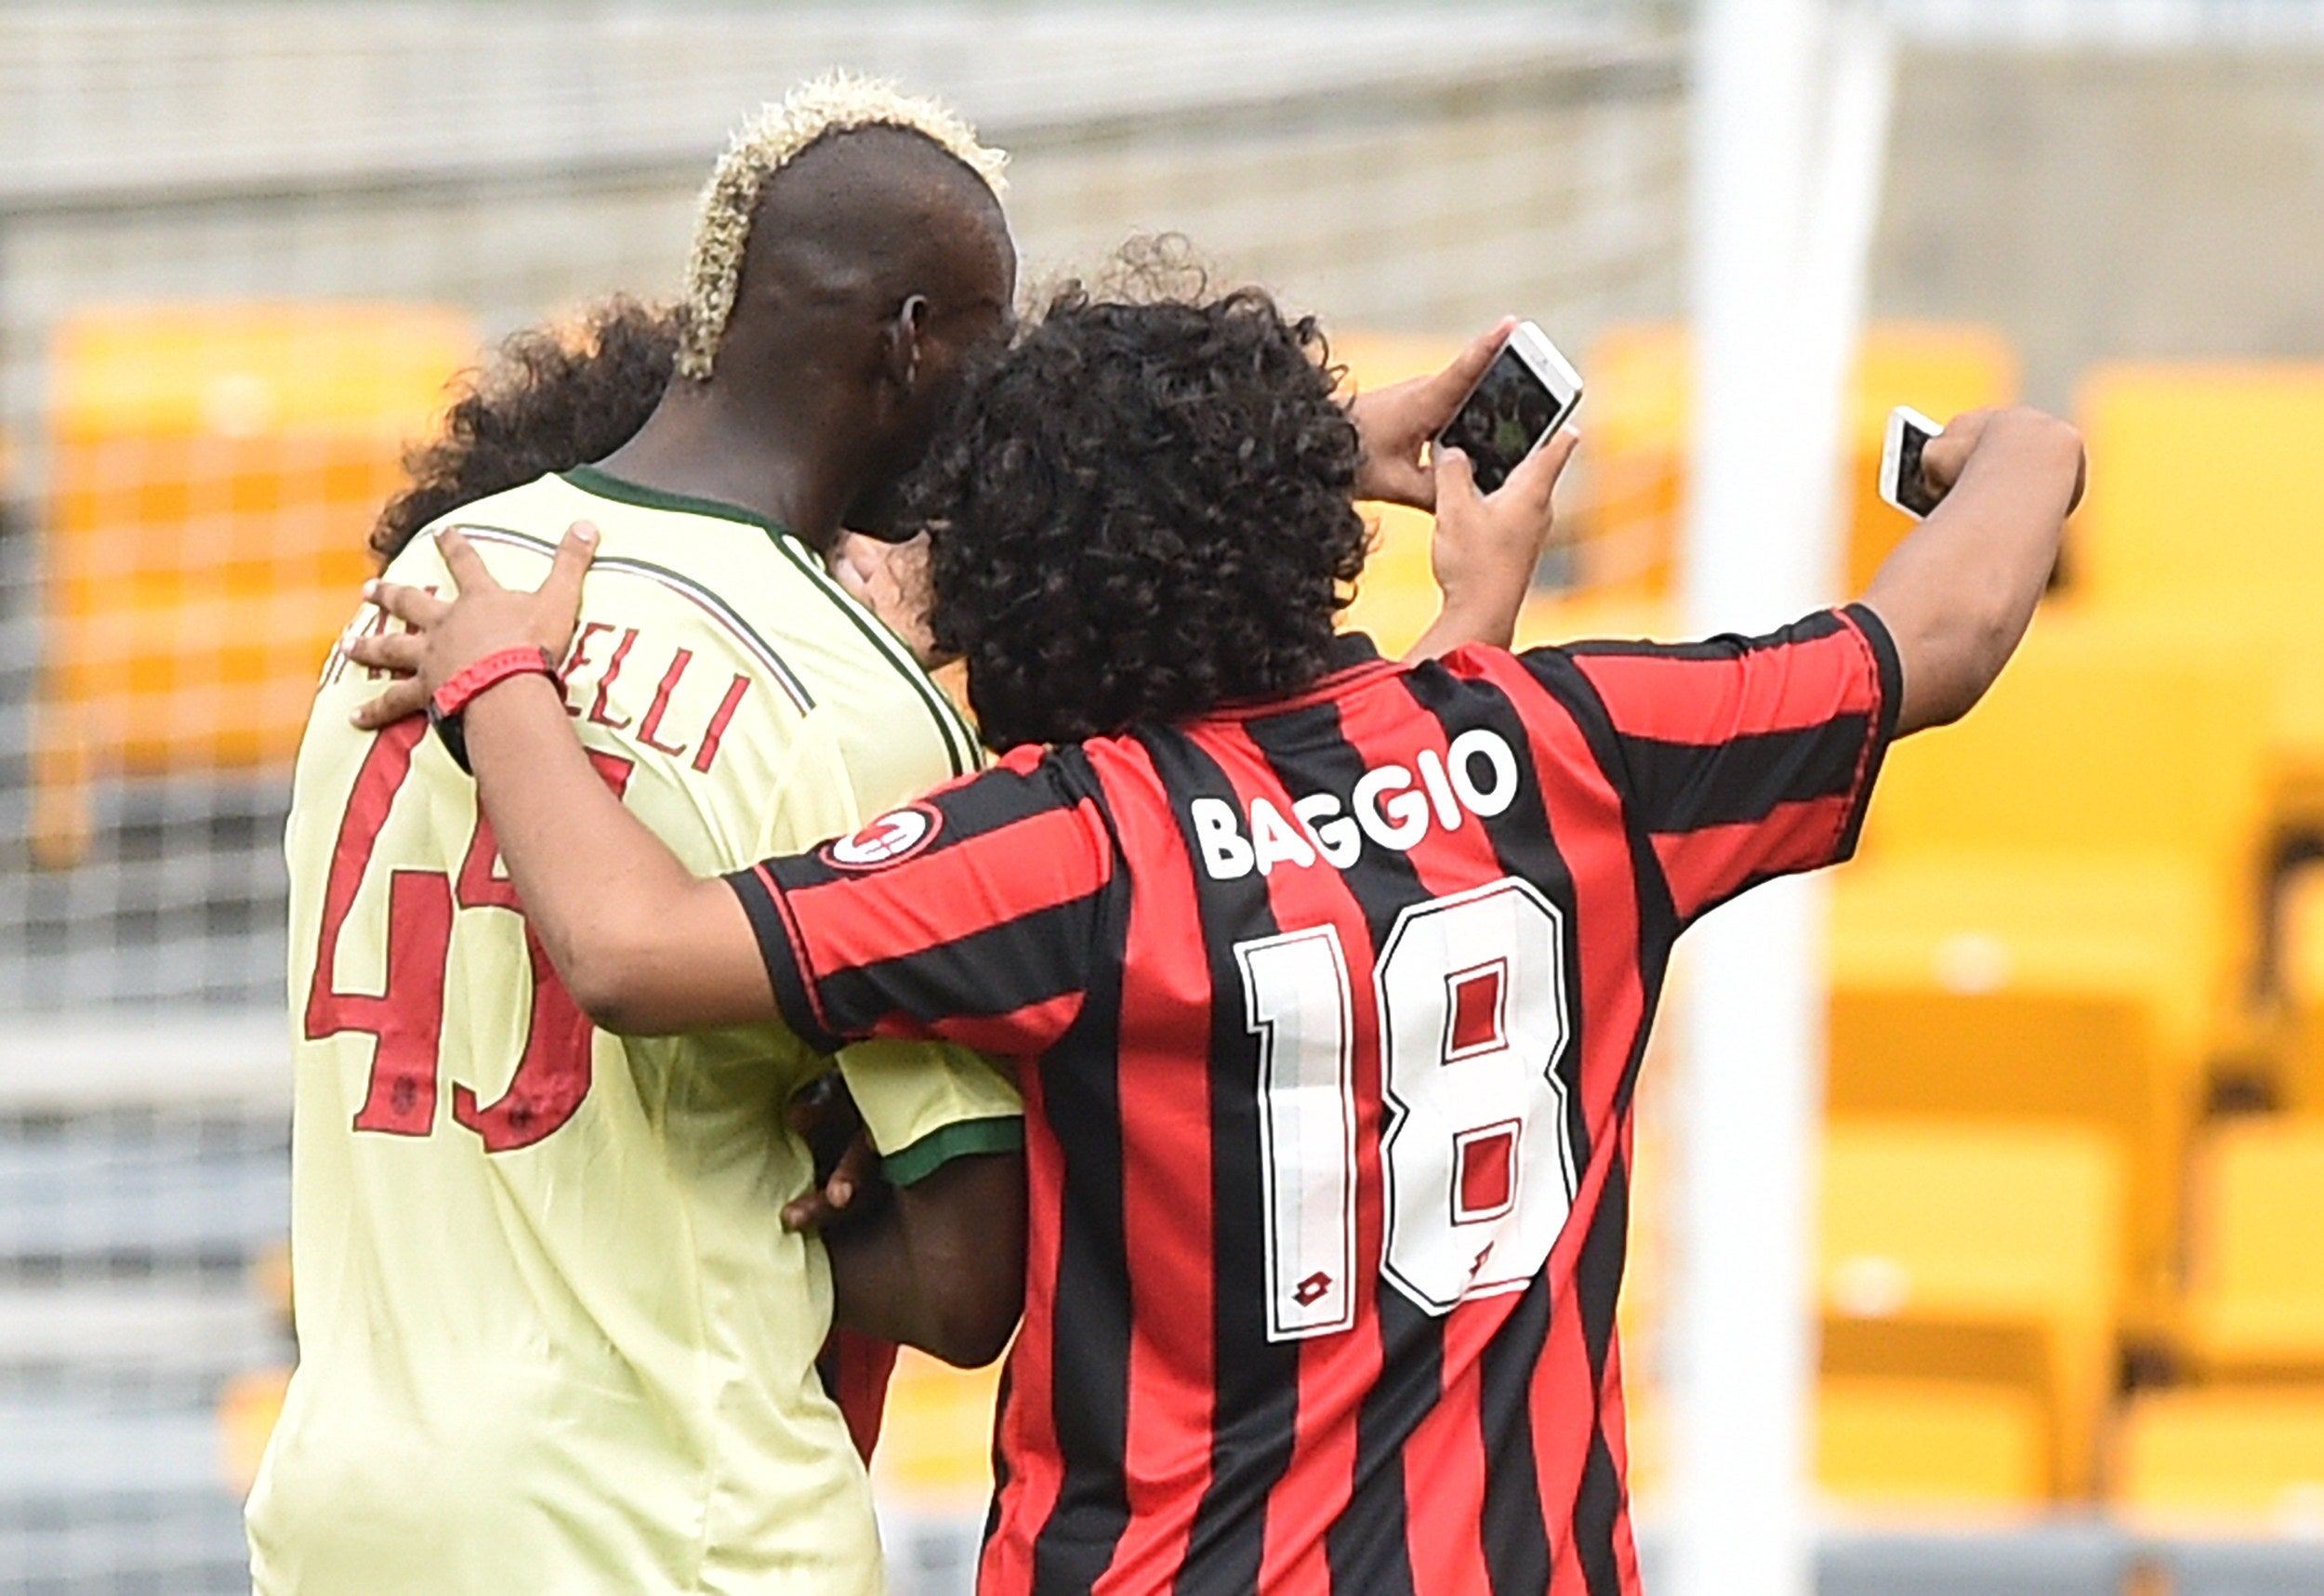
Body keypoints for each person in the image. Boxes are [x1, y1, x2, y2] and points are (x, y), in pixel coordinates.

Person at [352, 269, 2083, 1593]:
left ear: (1028, 598)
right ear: (1305, 535)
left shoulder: (1058, 849)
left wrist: (499, 670)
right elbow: (1947, 626)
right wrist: (2015, 450)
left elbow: (634, 949)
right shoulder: (1568, 754)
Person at [251, 76, 1036, 1595]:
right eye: (983, 356)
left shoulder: (430, 573)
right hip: (666, 1528)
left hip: (352, 1518)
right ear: (908, 341)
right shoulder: (856, 708)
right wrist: (815, 1176)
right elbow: (962, 1281)